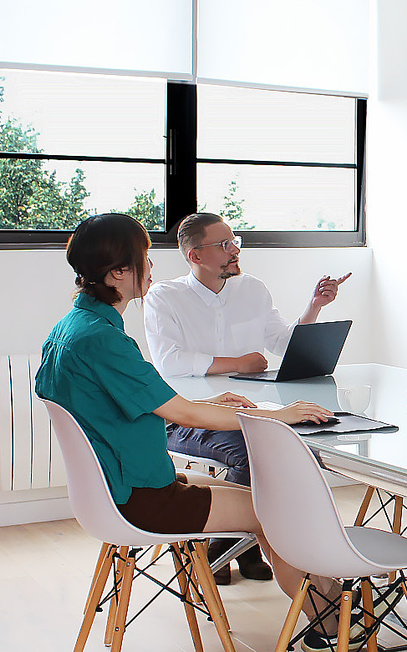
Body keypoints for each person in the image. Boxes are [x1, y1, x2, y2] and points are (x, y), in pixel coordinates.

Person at [36, 213, 347, 651]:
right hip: (141, 498)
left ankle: (334, 608)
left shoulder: (72, 329)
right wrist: (281, 416)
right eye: (143, 257)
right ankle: (335, 619)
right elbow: (183, 413)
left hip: (117, 487)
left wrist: (211, 402)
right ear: (118, 272)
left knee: (270, 499)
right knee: (277, 511)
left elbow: (158, 405)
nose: (150, 267)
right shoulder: (103, 340)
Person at [143, 212, 350, 583]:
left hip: (249, 411)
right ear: (195, 255)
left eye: (234, 241)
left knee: (293, 442)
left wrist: (315, 306)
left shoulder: (252, 288)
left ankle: (247, 544)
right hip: (189, 416)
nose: (235, 250)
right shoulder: (165, 297)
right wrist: (239, 363)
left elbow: (282, 343)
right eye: (224, 244)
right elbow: (169, 362)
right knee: (255, 452)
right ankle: (232, 544)